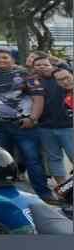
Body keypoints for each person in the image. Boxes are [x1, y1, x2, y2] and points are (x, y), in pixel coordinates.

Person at [0, 48, 52, 201]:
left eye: (5, 57)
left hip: (24, 125)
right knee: (1, 161)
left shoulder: (27, 75)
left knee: (32, 159)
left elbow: (38, 98)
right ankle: (7, 195)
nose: (1, 60)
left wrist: (33, 118)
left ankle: (44, 194)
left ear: (12, 59)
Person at [32, 56, 74, 188]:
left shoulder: (63, 76)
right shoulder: (33, 82)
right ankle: (63, 188)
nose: (42, 67)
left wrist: (56, 60)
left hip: (68, 127)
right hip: (45, 127)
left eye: (45, 64)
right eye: (38, 65)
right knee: (54, 158)